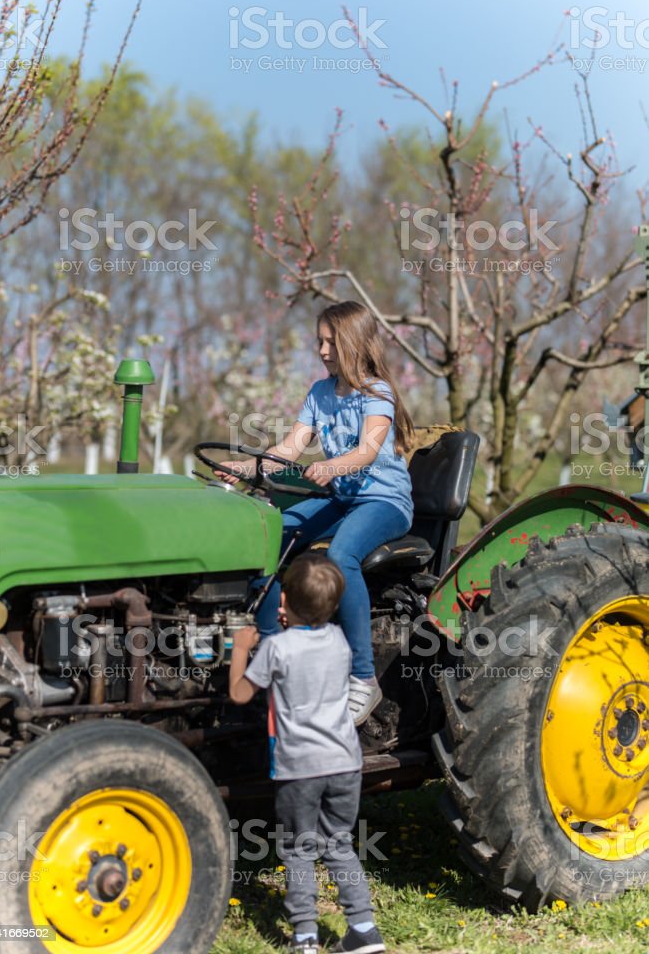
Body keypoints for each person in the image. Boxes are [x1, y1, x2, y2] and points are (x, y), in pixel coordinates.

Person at [218, 300, 415, 726]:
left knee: (341, 555)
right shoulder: (319, 393)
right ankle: (273, 651)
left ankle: (364, 677)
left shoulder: (377, 394)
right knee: (272, 534)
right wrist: (247, 467)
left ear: (355, 342)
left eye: (332, 341)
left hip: (384, 502)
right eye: (319, 341)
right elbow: (290, 449)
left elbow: (365, 452)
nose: (322, 350)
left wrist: (330, 466)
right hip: (343, 499)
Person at [229, 553, 386, 954]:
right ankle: (364, 931)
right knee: (338, 843)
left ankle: (304, 938)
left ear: (285, 604)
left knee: (298, 850)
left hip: (300, 767)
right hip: (345, 763)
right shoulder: (339, 640)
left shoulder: (277, 648)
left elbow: (240, 694)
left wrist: (241, 649)